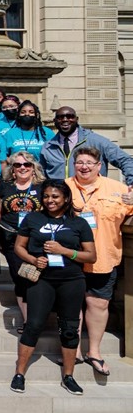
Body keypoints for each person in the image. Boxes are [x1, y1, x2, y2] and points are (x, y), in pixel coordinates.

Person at [11, 179, 97, 396]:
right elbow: (18, 247)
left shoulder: (79, 223)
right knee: (34, 325)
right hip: (42, 280)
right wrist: (32, 259)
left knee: (69, 328)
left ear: (66, 198)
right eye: (47, 196)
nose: (50, 200)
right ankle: (19, 374)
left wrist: (65, 251)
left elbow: (91, 256)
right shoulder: (33, 218)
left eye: (55, 196)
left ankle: (68, 376)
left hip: (71, 280)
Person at [65, 146, 133, 376]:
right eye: (79, 163)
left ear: (99, 166)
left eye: (89, 163)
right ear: (74, 165)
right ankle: (71, 349)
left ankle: (94, 351)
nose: (84, 167)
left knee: (98, 304)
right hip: (71, 258)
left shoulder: (118, 189)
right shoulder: (64, 187)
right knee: (72, 305)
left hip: (105, 256)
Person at [0, 151, 45, 327]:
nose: (22, 168)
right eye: (17, 165)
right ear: (13, 169)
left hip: (36, 238)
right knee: (20, 277)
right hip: (11, 237)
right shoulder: (5, 185)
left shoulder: (42, 186)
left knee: (37, 278)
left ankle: (38, 315)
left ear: (34, 168)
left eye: (27, 165)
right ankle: (28, 321)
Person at [42, 106, 133, 183]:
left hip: (91, 198)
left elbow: (125, 160)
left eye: (69, 116)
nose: (65, 120)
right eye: (60, 117)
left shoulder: (97, 141)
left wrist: (131, 182)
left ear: (76, 119)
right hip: (59, 200)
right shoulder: (48, 147)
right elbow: (40, 176)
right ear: (55, 121)